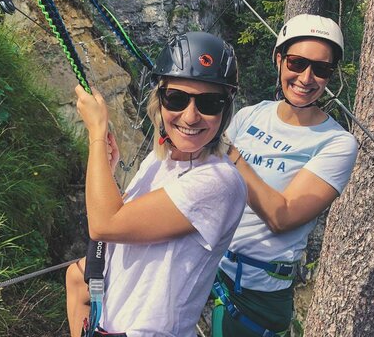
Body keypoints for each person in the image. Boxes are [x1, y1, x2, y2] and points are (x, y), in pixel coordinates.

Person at [67, 31, 247, 337]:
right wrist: (107, 174)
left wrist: (97, 134)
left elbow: (105, 224)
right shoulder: (159, 162)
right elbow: (92, 259)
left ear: (225, 109)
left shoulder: (220, 182)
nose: (191, 117)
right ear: (159, 100)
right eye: (176, 98)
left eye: (209, 103)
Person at [212, 14, 359, 337]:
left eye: (321, 69)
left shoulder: (336, 143)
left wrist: (227, 149)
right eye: (296, 62)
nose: (306, 78)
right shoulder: (253, 114)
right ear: (279, 59)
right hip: (211, 266)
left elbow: (283, 216)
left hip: (258, 294)